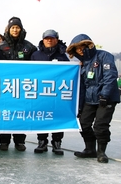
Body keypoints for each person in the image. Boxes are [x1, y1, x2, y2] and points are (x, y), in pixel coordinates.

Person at [66, 34, 120, 163]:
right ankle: (90, 149)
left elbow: (110, 76)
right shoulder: (81, 64)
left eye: (81, 47)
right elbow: (82, 85)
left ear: (87, 45)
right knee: (83, 123)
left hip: (106, 98)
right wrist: (79, 104)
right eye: (76, 49)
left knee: (100, 126)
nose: (79, 50)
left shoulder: (104, 56)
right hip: (89, 99)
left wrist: (105, 95)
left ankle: (101, 152)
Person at [0, 17, 37, 152]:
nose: (15, 29)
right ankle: (4, 141)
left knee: (20, 114)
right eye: (13, 27)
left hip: (22, 87)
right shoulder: (1, 47)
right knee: (6, 114)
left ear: (21, 29)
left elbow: (38, 65)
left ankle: (20, 141)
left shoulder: (29, 47)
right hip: (6, 87)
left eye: (17, 27)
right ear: (8, 29)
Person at [31, 29, 69, 155]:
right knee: (41, 116)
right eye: (46, 38)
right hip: (40, 92)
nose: (49, 40)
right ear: (43, 40)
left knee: (58, 116)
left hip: (58, 92)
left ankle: (57, 143)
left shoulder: (64, 55)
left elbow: (70, 72)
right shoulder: (36, 55)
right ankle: (42, 141)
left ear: (56, 40)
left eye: (52, 38)